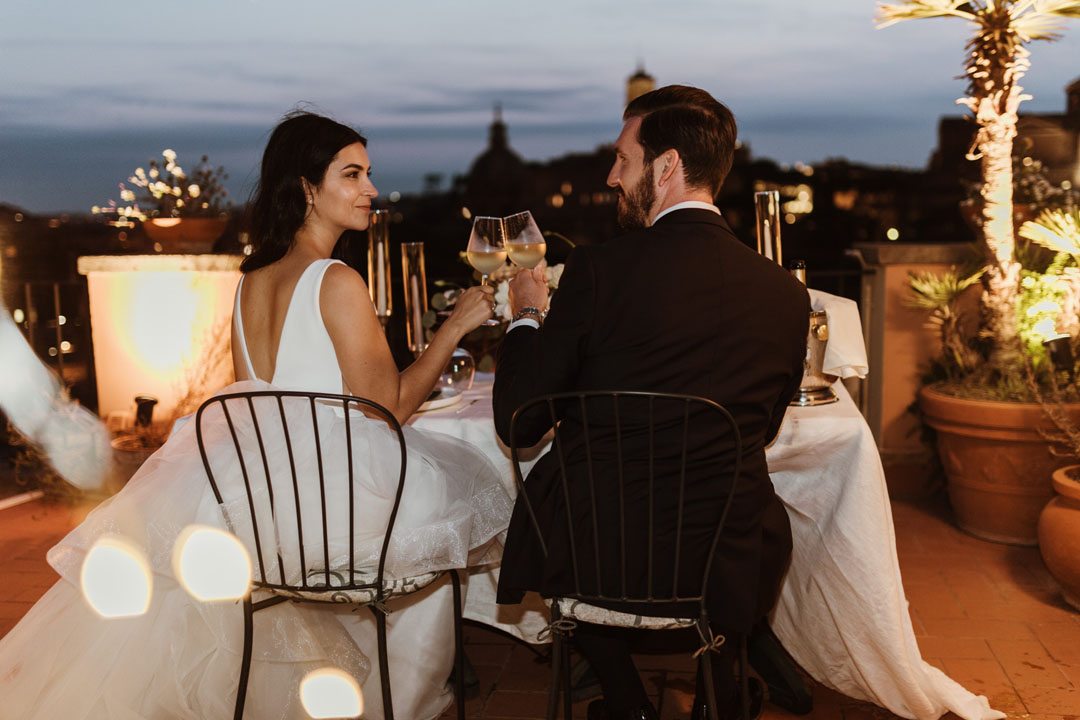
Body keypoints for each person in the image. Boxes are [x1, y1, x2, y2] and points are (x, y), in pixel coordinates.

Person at [0, 110, 514, 720]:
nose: (371, 190)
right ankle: (406, 697)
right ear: (305, 187)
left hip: (262, 520)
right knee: (465, 509)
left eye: (368, 174)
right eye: (352, 175)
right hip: (332, 515)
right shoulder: (336, 280)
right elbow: (390, 409)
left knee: (437, 518)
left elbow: (266, 411)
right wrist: (453, 327)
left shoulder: (248, 285)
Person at [492, 86, 810, 720]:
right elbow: (764, 426)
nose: (612, 176)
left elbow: (521, 423)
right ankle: (718, 693)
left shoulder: (597, 270)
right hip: (724, 551)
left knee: (561, 500)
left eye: (623, 160)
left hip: (600, 552)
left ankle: (629, 701)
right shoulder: (785, 293)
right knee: (750, 515)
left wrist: (526, 314)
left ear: (665, 168)